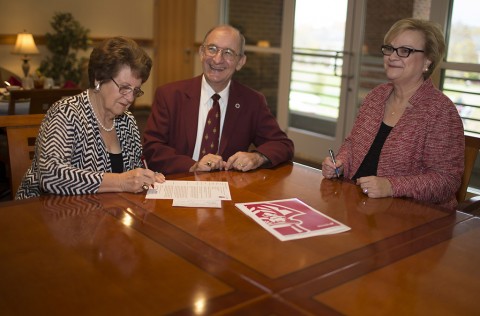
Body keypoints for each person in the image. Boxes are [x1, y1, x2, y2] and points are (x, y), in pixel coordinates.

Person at [321, 18, 464, 210]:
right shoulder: (376, 96)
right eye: (390, 48)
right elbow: (352, 144)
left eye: (405, 51)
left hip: (413, 218)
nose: (392, 57)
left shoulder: (440, 111)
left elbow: (447, 181)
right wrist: (340, 163)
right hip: (359, 205)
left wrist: (391, 186)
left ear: (427, 62)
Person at [16, 37, 165, 200]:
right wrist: (121, 181)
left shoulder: (127, 120)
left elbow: (133, 174)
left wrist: (146, 177)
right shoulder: (66, 112)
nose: (130, 98)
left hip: (100, 213)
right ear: (99, 79)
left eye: (136, 90)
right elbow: (50, 175)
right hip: (41, 213)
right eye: (124, 88)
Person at [143, 25, 294, 175]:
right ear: (202, 53)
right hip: (179, 182)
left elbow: (282, 144)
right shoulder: (169, 95)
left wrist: (257, 157)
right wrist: (193, 166)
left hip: (227, 190)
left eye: (228, 53)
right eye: (212, 49)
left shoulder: (252, 102)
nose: (217, 59)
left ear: (240, 62)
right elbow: (152, 148)